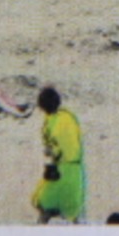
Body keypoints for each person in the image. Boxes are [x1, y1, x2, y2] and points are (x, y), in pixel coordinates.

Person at [31, 86, 86, 223]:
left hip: (61, 170)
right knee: (74, 211)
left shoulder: (52, 122)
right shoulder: (69, 116)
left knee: (44, 205)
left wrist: (50, 151)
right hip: (76, 170)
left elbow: (57, 149)